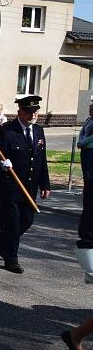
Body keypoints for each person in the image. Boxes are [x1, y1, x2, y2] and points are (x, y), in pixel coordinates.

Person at [0, 95, 50, 274]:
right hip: (10, 187)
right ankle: (11, 258)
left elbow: (42, 160)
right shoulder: (6, 131)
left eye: (35, 111)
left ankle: (2, 241)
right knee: (12, 224)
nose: (33, 114)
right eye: (29, 111)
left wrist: (45, 184)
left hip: (29, 187)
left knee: (27, 220)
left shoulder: (39, 131)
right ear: (20, 112)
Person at [76, 99, 93, 248]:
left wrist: (83, 142)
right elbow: (82, 132)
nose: (90, 109)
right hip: (86, 151)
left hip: (91, 150)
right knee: (87, 180)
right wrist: (81, 141)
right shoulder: (89, 120)